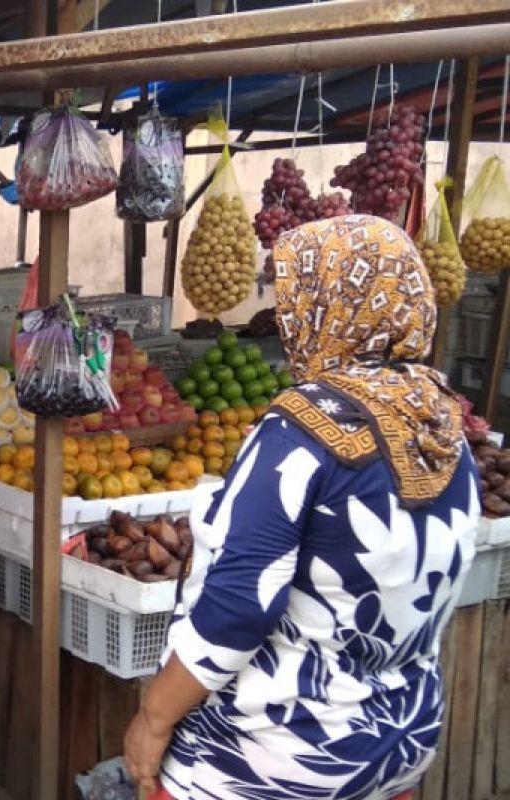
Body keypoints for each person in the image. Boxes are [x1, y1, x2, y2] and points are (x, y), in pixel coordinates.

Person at [124, 215, 478, 800]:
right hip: (396, 745)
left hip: (277, 760)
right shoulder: (443, 424)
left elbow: (239, 605)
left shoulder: (302, 428)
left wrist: (153, 719)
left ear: (325, 305)